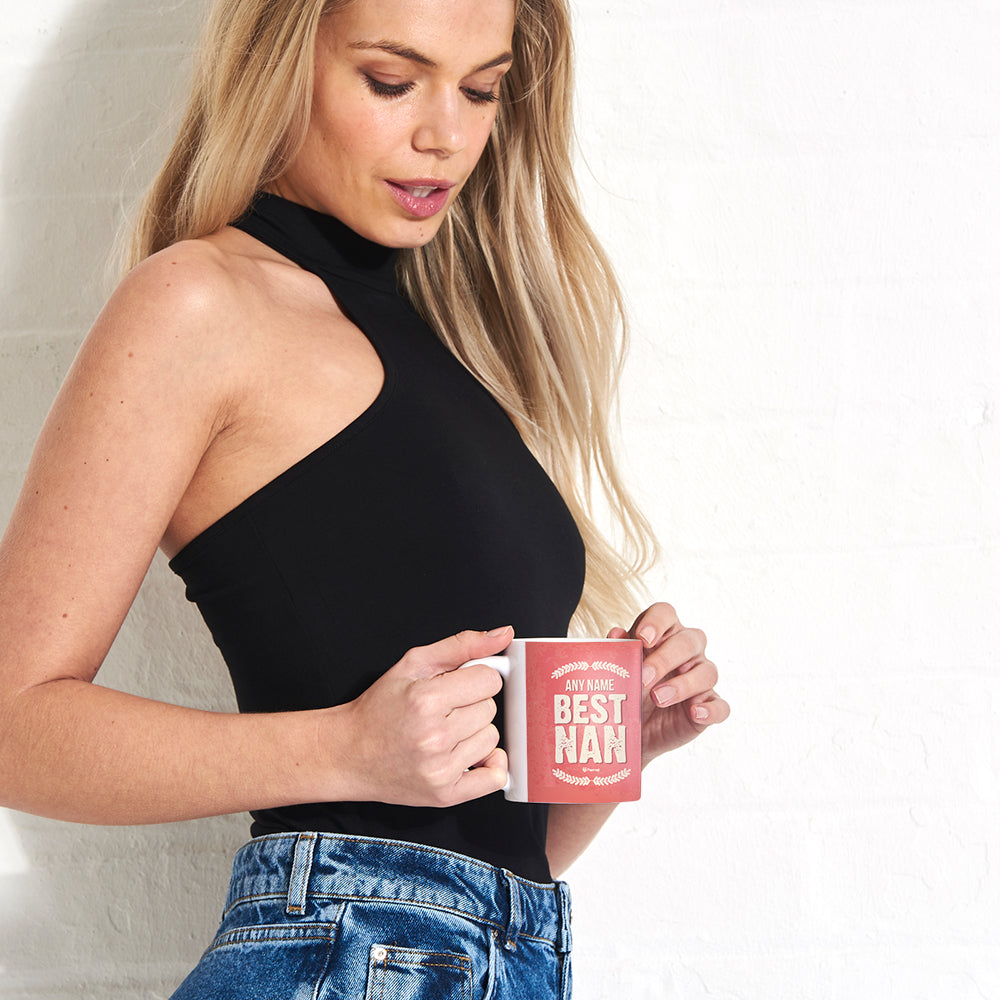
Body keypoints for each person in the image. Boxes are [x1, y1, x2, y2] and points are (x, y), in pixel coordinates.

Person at [0, 0, 729, 996]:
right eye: (392, 81)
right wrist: (343, 748)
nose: (446, 134)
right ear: (281, 62)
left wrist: (615, 745)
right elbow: (12, 725)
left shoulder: (458, 357)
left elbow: (476, 864)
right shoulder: (199, 304)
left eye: (482, 89)